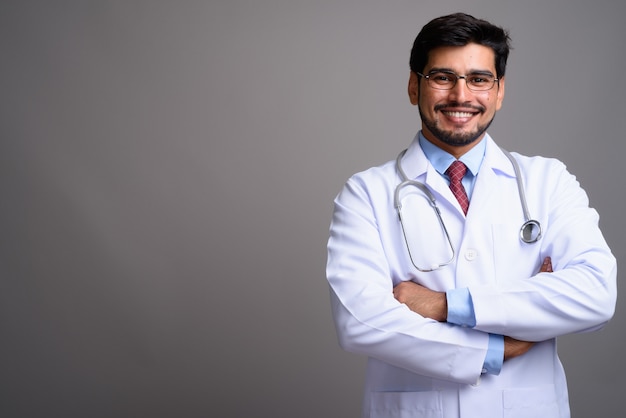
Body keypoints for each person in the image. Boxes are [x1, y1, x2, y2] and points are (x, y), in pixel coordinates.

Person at [326, 12, 617, 418]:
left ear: (499, 92)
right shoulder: (366, 193)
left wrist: (446, 305)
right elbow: (361, 319)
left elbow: (595, 295)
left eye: (479, 79)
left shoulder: (548, 181)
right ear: (414, 86)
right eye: (442, 77)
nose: (461, 95)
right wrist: (498, 347)